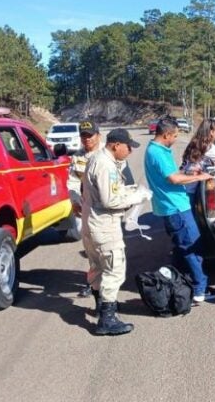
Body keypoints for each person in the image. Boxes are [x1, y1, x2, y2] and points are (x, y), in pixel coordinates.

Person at [82, 128, 149, 336]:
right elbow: (110, 200)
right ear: (116, 145)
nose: (130, 151)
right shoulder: (105, 165)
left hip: (92, 223)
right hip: (104, 225)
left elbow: (109, 191)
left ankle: (101, 306)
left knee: (98, 266)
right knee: (114, 269)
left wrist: (128, 191)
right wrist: (137, 197)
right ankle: (107, 318)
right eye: (128, 147)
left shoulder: (99, 160)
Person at [145, 118, 215, 303]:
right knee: (193, 248)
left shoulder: (155, 149)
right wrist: (201, 176)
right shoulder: (158, 153)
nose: (176, 139)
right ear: (166, 134)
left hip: (171, 207)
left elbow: (174, 175)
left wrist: (188, 174)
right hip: (176, 207)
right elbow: (173, 179)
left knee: (182, 247)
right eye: (175, 135)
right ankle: (200, 289)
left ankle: (184, 282)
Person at [66, 121, 103, 299]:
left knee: (106, 248)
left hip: (106, 209)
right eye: (83, 136)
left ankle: (109, 283)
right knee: (90, 248)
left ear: (99, 135)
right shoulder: (77, 157)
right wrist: (74, 201)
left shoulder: (108, 153)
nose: (87, 139)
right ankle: (93, 282)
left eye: (90, 135)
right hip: (87, 208)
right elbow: (73, 181)